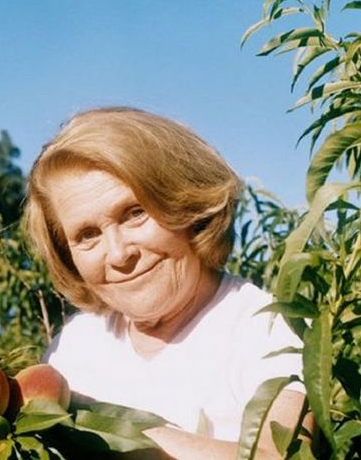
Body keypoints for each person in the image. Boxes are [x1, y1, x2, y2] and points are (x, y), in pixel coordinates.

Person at [24, 107, 307, 459]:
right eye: (87, 235)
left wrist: (109, 427)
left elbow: (279, 455)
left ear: (186, 203)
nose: (118, 254)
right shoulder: (75, 348)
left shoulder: (265, 327)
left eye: (135, 213)